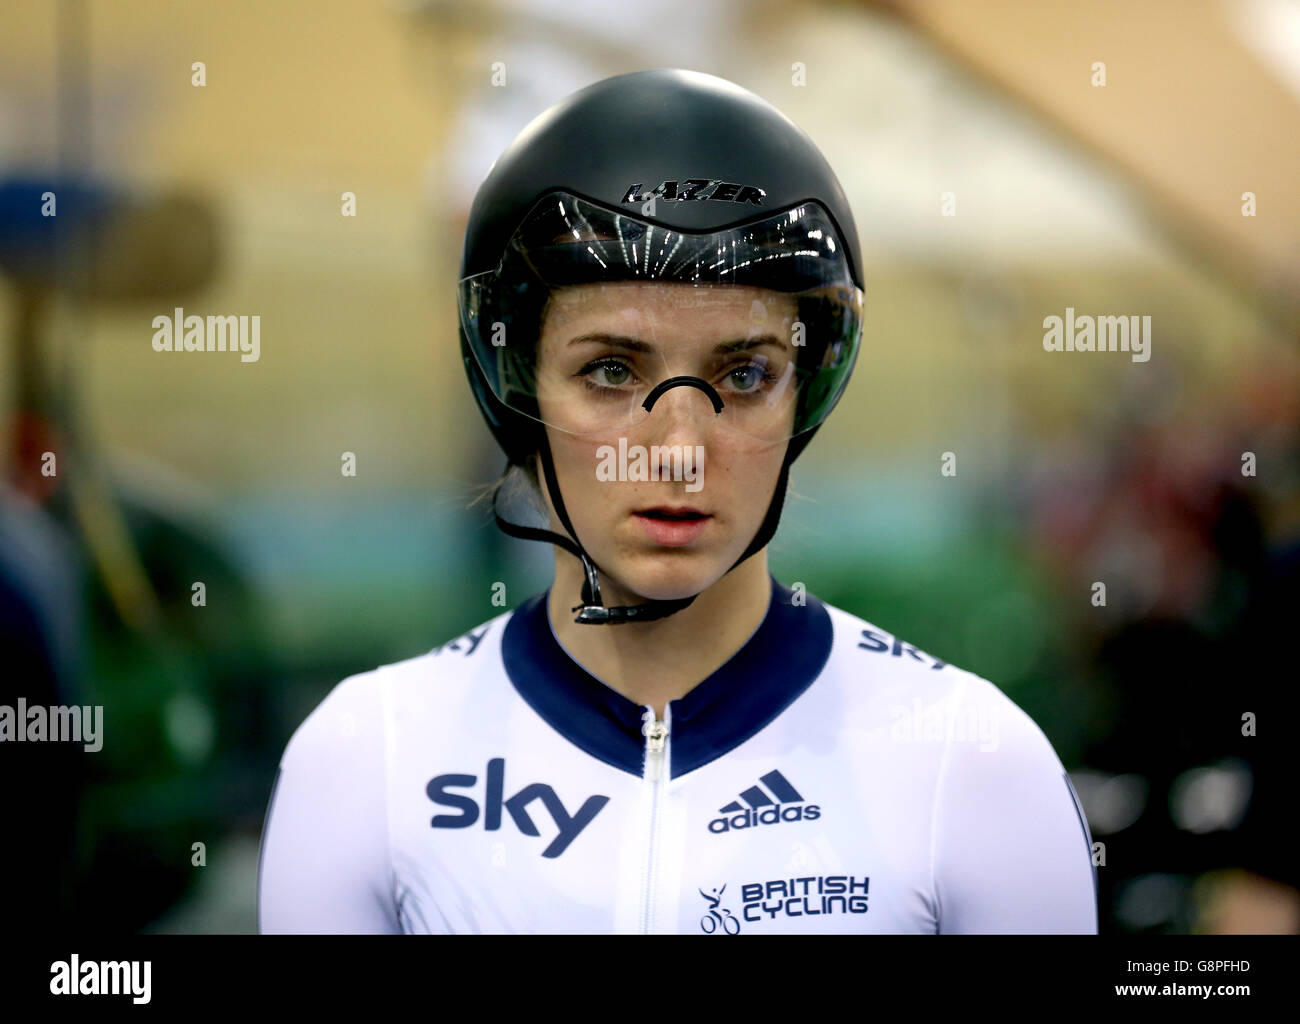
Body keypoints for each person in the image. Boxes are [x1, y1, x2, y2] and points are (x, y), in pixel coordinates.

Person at [257, 69, 1097, 934]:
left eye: (745, 375)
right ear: (516, 386)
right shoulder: (366, 763)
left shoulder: (973, 765)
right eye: (612, 371)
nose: (683, 452)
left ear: (805, 392)